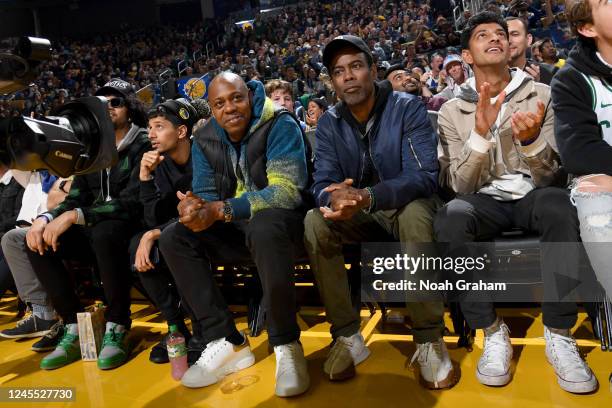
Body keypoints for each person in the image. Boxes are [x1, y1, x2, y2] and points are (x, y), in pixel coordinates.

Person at [434, 11, 598, 394]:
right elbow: (457, 185)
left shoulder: (543, 94)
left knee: (559, 205)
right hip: (482, 201)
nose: (494, 38)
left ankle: (559, 332)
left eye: (500, 34)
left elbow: (556, 175)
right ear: (467, 56)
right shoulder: (450, 110)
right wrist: (477, 135)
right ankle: (491, 331)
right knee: (451, 218)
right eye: (482, 35)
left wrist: (531, 143)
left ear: (511, 46)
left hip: (533, 195)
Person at [304, 35, 457, 389]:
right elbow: (321, 182)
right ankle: (347, 336)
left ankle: (428, 337)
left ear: (374, 70)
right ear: (333, 80)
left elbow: (423, 178)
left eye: (356, 66)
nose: (349, 77)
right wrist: (334, 201)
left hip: (406, 205)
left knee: (416, 213)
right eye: (339, 71)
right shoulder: (328, 123)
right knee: (314, 221)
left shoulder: (407, 107)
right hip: (360, 213)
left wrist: (365, 196)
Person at [159, 72, 311, 397]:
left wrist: (220, 210)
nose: (229, 108)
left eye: (236, 98)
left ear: (250, 97)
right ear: (211, 110)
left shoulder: (280, 123)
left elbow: (286, 192)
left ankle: (286, 343)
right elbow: (205, 195)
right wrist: (195, 210)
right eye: (219, 103)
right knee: (174, 236)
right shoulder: (204, 139)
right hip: (236, 229)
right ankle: (226, 340)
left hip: (284, 229)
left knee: (265, 223)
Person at [24, 78, 150, 371]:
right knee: (36, 240)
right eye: (102, 103)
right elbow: (75, 198)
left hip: (132, 228)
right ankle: (72, 325)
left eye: (115, 102)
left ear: (129, 108)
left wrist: (75, 216)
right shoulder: (90, 149)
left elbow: (133, 203)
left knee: (105, 232)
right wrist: (45, 218)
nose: (108, 108)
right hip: (95, 228)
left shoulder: (143, 142)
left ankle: (118, 324)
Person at [131, 98, 208, 364]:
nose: (150, 134)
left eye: (159, 126)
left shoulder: (205, 154)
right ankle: (176, 328)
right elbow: (153, 217)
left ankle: (203, 330)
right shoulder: (159, 164)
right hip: (177, 231)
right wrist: (145, 177)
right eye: (149, 127)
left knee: (167, 239)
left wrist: (153, 233)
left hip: (212, 227)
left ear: (182, 131)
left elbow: (202, 210)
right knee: (135, 247)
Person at [552, 0, 612, 303]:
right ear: (587, 28)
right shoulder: (572, 79)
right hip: (603, 188)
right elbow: (580, 152)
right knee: (595, 203)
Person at [506, 17, 556, 85]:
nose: (509, 41)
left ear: (528, 40)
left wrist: (539, 87)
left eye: (515, 34)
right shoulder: (489, 77)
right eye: (504, 36)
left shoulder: (550, 72)